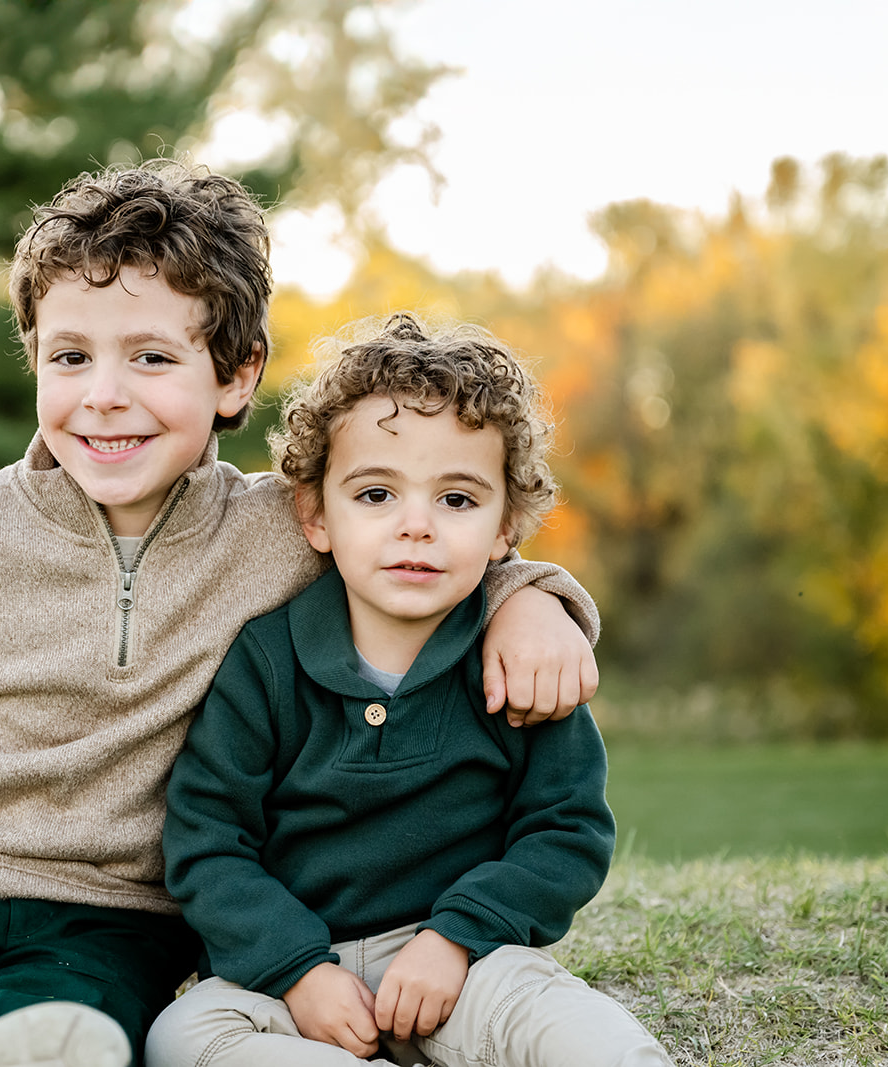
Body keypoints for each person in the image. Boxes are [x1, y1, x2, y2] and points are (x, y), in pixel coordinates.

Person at [0, 162, 602, 1067]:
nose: (104, 392)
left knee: (57, 1038)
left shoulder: (284, 530)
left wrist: (533, 602)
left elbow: (423, 544)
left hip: (110, 913)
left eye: (150, 356)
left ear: (234, 375)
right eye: (71, 357)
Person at [147, 314, 673, 1067]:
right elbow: (208, 842)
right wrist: (297, 970)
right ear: (316, 513)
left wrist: (456, 938)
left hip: (462, 965)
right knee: (184, 1036)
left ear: (506, 526)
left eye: (457, 500)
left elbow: (566, 831)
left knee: (568, 1024)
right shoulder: (265, 662)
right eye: (376, 495)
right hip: (291, 979)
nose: (416, 527)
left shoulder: (519, 664)